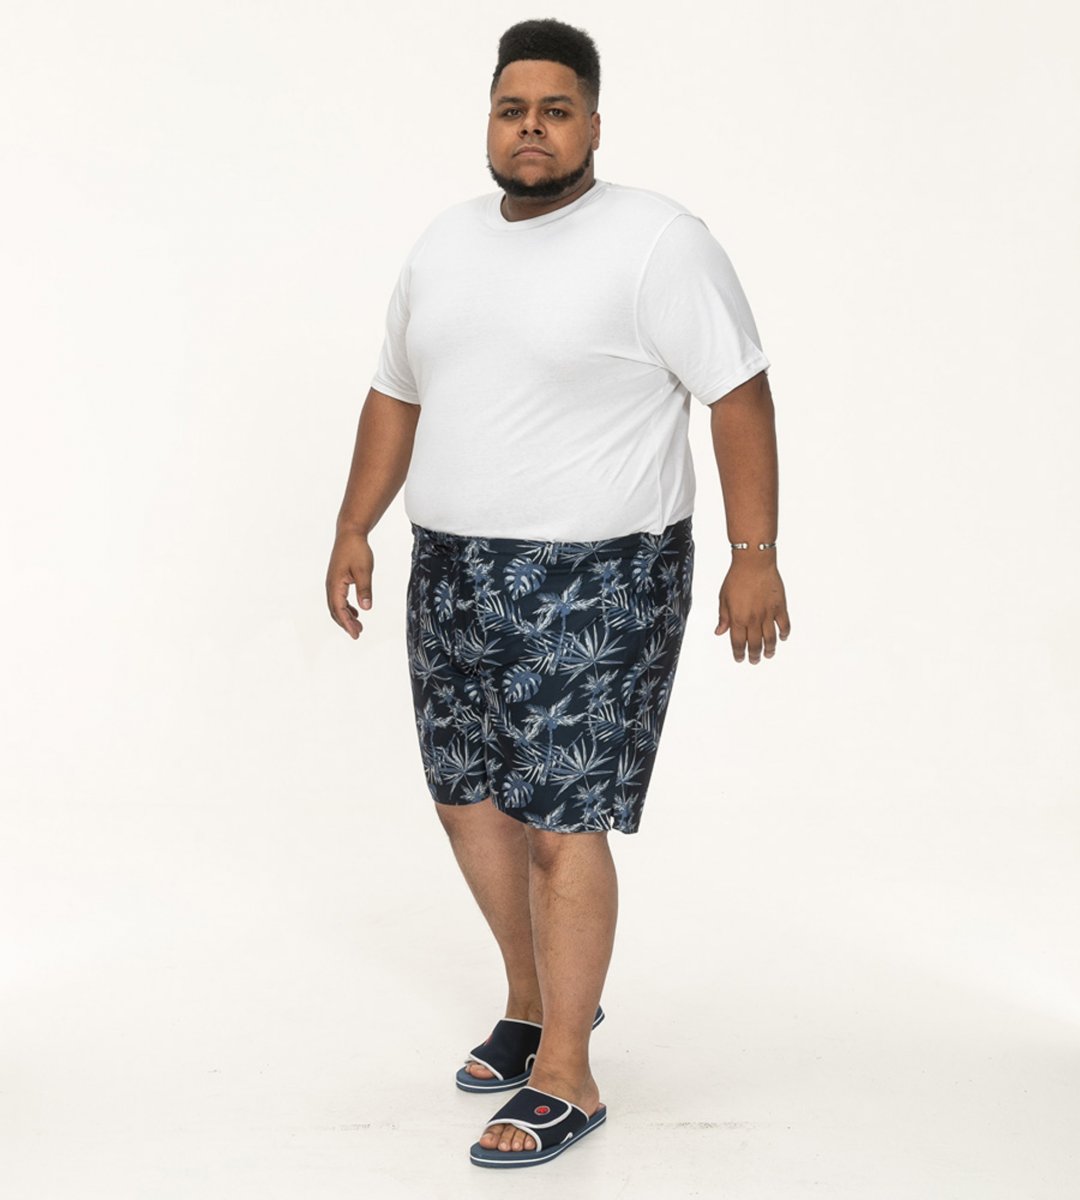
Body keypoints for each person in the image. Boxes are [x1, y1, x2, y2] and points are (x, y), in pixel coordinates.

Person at [325, 17, 790, 1169]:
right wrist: (352, 526)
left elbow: (738, 393)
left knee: (559, 825)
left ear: (592, 123)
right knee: (469, 800)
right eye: (511, 109)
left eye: (555, 110)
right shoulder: (444, 245)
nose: (530, 128)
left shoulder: (657, 241)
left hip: (599, 576)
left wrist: (755, 551)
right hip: (454, 567)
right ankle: (536, 1006)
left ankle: (568, 1077)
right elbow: (395, 393)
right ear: (489, 121)